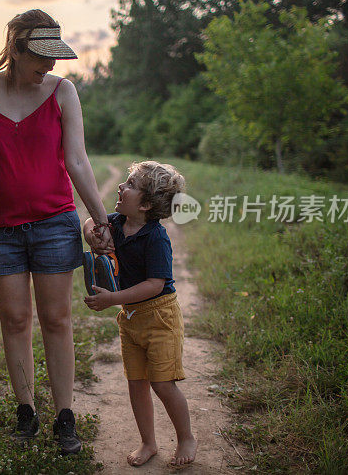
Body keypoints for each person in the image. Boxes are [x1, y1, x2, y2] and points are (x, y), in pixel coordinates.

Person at [0, 9, 113, 455]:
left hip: (55, 223)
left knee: (57, 319)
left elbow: (77, 161)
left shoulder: (63, 92)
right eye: (42, 57)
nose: (51, 66)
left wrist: (101, 219)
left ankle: (65, 417)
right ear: (16, 49)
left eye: (55, 57)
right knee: (14, 320)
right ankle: (26, 412)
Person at [82, 160, 197, 467]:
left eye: (130, 185)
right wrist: (93, 234)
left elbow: (154, 284)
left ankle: (185, 436)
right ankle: (148, 442)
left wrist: (114, 298)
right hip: (131, 319)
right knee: (137, 382)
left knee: (162, 383)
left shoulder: (156, 238)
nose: (121, 186)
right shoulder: (117, 222)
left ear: (146, 204)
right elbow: (89, 223)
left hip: (160, 317)